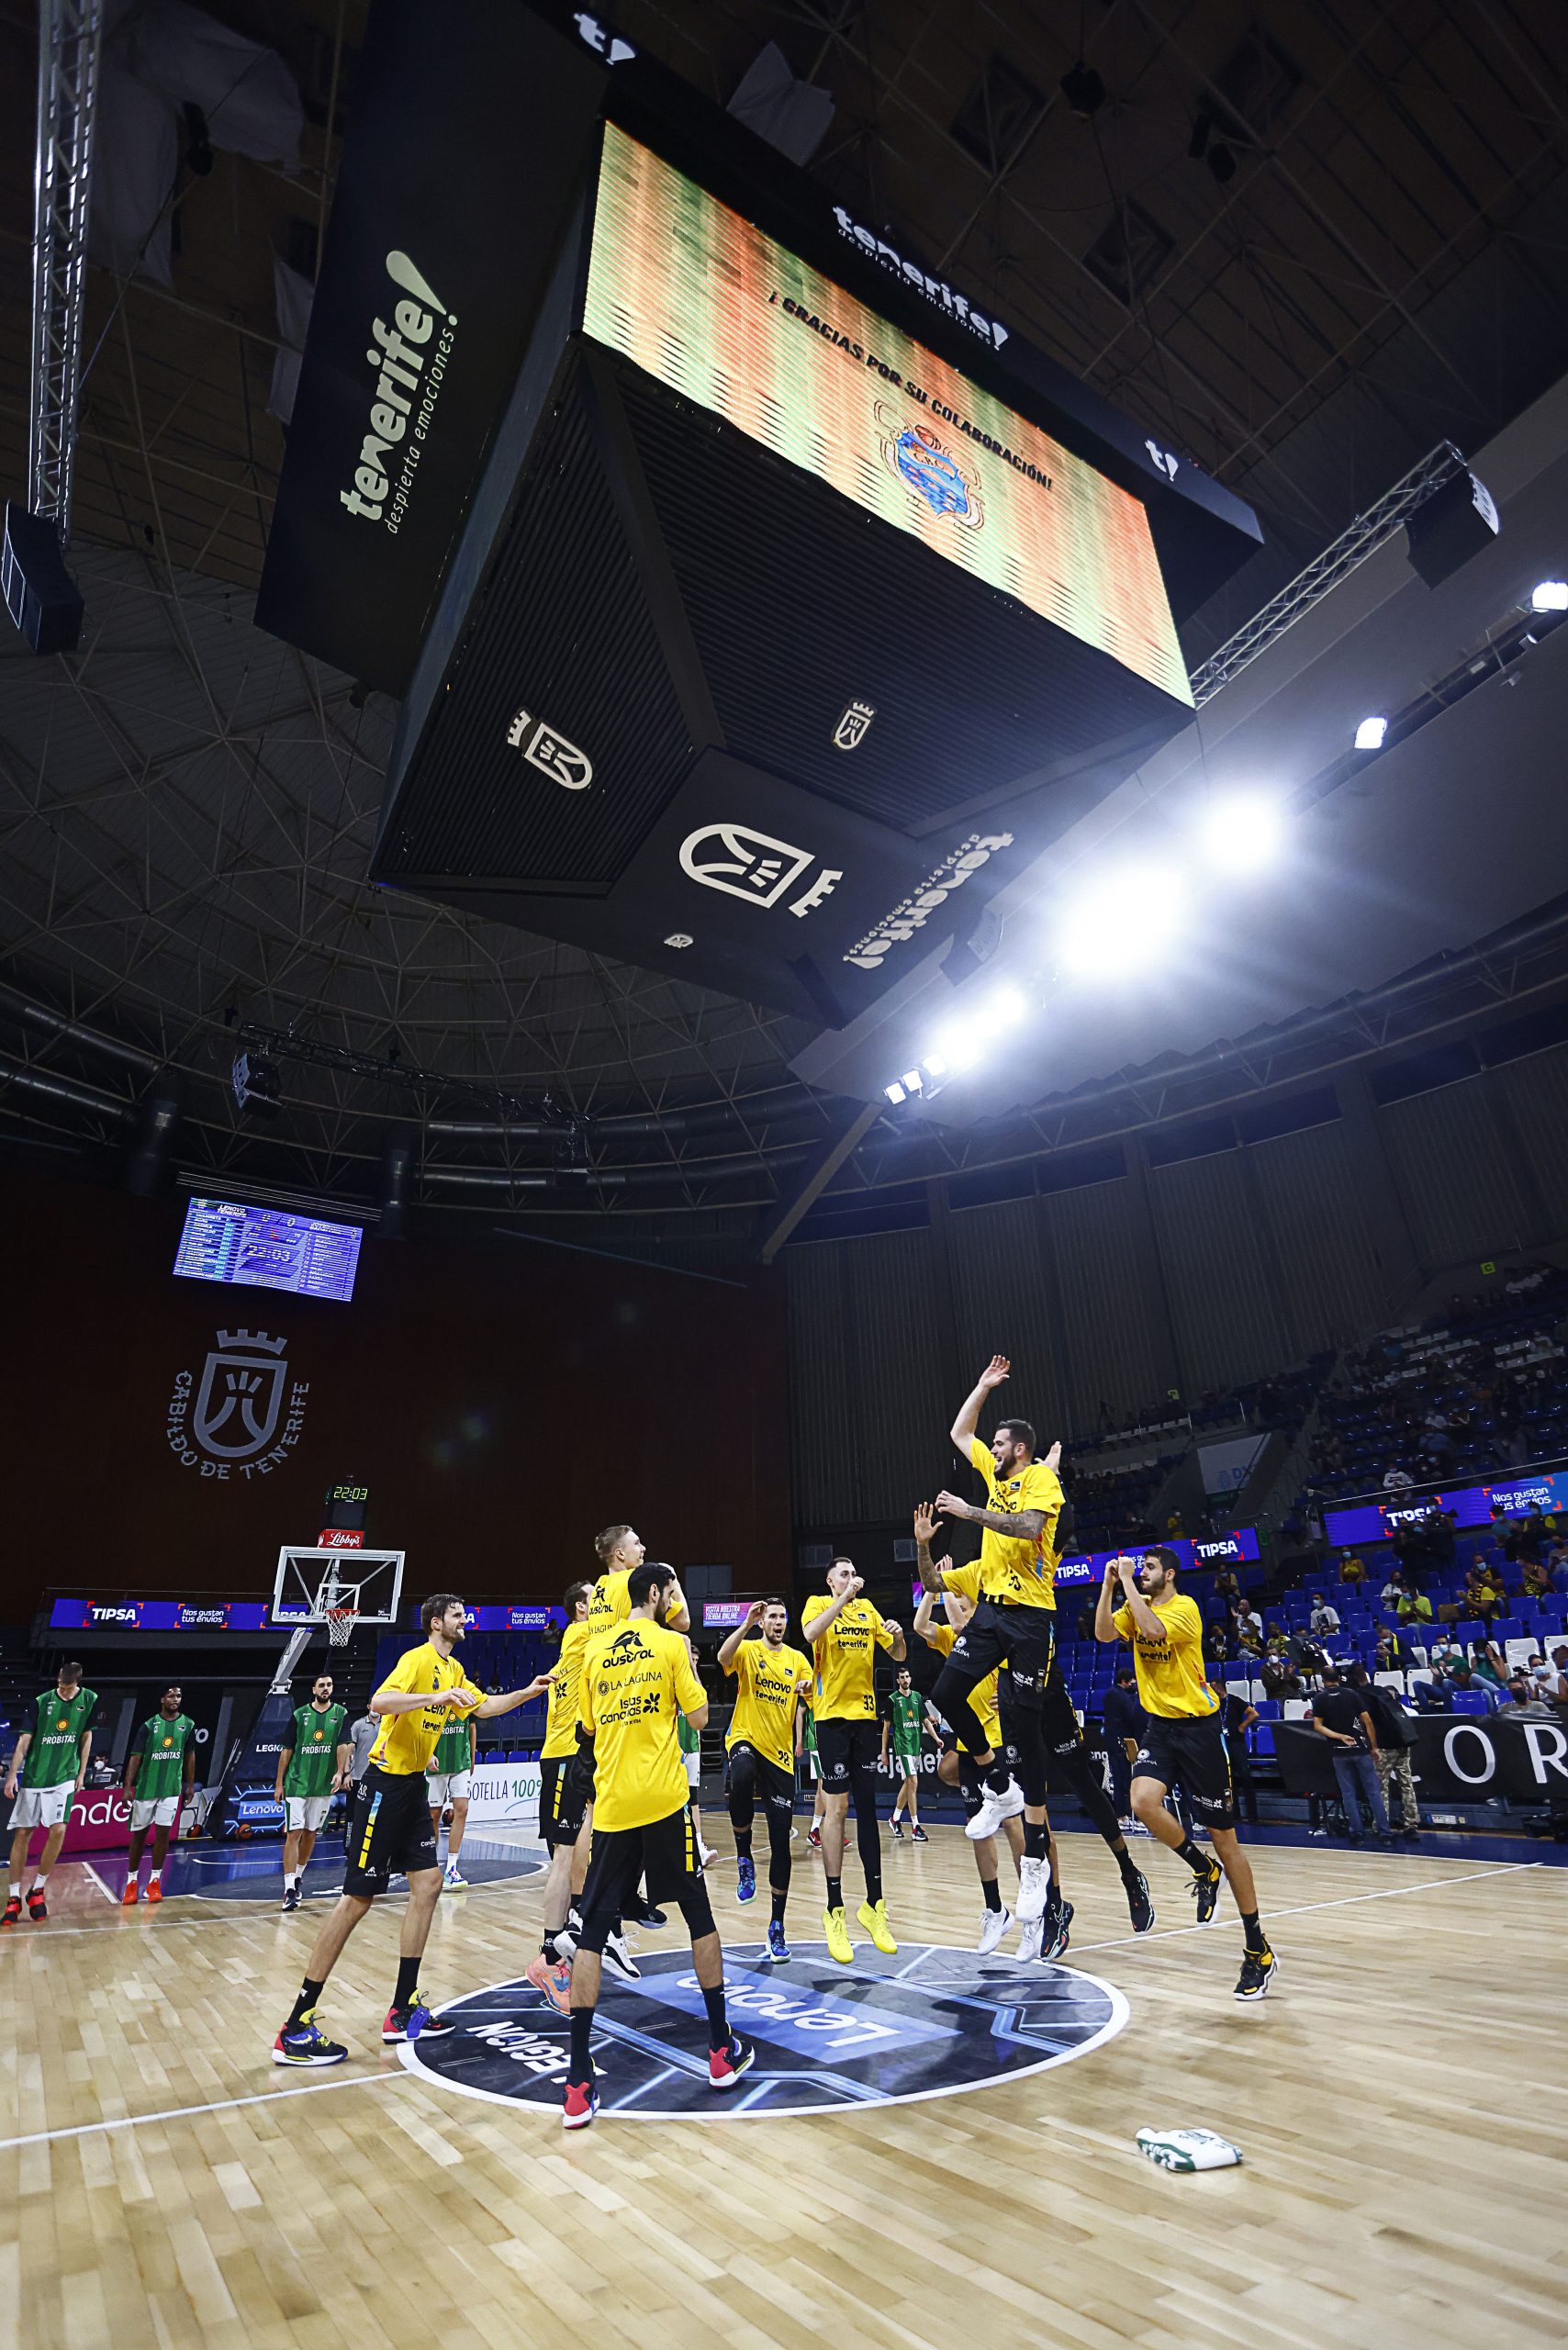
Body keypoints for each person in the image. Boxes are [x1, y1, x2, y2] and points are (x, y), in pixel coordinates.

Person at [272, 1595, 551, 2065]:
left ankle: (402, 2009)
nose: (465, 1619)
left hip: (412, 1788)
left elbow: (483, 1708)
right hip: (383, 1787)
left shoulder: (454, 1669)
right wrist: (433, 1699)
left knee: (429, 1883)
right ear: (437, 1622)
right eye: (458, 1614)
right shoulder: (417, 1660)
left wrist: (528, 1691)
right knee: (357, 1899)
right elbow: (380, 1702)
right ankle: (296, 2024)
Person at [564, 1563, 752, 2128]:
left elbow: (589, 1727)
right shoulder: (671, 1645)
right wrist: (681, 1677)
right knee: (699, 1918)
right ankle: (719, 2050)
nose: (676, 1600)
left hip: (614, 1806)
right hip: (666, 1804)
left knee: (592, 1932)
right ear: (654, 1593)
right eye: (672, 1592)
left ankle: (577, 2082)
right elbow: (699, 1716)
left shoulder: (596, 1651)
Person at [1094, 1550, 1277, 2001]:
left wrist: (1129, 1584)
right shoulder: (1134, 1604)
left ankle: (1258, 1948)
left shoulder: (1185, 1608)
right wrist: (1109, 1585)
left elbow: (1154, 1630)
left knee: (1225, 1839)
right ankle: (1202, 1869)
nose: (1143, 1572)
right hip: (1160, 1728)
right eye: (1141, 1568)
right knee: (1141, 1802)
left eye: (1150, 1568)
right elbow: (1103, 1634)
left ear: (1169, 1574)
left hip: (1199, 1730)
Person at [927, 1357, 1064, 1937]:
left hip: (1031, 1617)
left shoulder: (1039, 1481)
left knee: (1028, 1735)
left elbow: (1030, 1528)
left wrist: (969, 1512)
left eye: (1002, 1443)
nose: (994, 1447)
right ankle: (999, 1787)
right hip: (991, 1610)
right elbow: (961, 1432)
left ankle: (1034, 1867)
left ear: (1020, 1450)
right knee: (945, 1694)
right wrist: (982, 1387)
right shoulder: (994, 1472)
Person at [529, 1581, 624, 2017]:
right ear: (583, 1608)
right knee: (566, 1857)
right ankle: (549, 1958)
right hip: (564, 1756)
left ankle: (585, 1931)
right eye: (595, 1598)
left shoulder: (583, 1646)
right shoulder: (582, 1634)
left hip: (579, 1755)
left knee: (586, 1849)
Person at [915, 1579, 1025, 1953]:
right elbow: (920, 1626)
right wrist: (932, 1589)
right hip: (966, 1745)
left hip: (996, 1740)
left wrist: (946, 1587)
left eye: (964, 1604)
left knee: (1011, 1822)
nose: (957, 1613)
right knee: (978, 1829)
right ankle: (996, 1910)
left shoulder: (991, 1635)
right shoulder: (954, 1639)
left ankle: (1033, 1905)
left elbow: (964, 1625)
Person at [802, 1557, 904, 1962]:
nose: (850, 1577)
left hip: (864, 1717)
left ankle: (874, 1906)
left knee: (868, 1808)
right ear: (830, 1580)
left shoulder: (868, 1610)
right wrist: (842, 1599)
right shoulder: (817, 1604)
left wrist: (898, 1636)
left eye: (852, 1572)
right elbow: (810, 1633)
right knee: (837, 1809)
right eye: (843, 1574)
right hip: (831, 1719)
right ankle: (834, 1909)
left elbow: (897, 1654)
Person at [718, 1599, 812, 1961]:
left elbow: (814, 1691)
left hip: (780, 1756)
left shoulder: (797, 1659)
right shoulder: (748, 1649)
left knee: (780, 1844)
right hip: (746, 1738)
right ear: (762, 1622)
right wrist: (745, 1624)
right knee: (741, 1773)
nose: (778, 1621)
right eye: (772, 1616)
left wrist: (808, 1686)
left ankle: (777, 1925)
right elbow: (724, 1658)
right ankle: (744, 1859)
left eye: (782, 1617)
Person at [4, 1662, 95, 1924]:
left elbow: (86, 1737)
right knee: (23, 1833)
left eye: (67, 1688)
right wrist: (12, 1774)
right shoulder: (41, 1702)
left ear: (77, 1682)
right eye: (60, 1686)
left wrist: (81, 1773)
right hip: (35, 1775)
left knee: (58, 1830)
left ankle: (37, 1890)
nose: (63, 1690)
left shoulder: (89, 1700)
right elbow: (24, 1740)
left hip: (65, 1776)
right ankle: (13, 1897)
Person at [276, 1673, 349, 1913]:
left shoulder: (340, 1714)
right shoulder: (300, 1715)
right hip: (297, 1784)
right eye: (322, 1685)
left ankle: (298, 1877)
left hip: (323, 1786)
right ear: (314, 1690)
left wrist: (340, 1772)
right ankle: (288, 1889)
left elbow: (343, 1745)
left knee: (310, 1833)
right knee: (294, 1833)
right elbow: (287, 1750)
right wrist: (279, 1783)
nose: (326, 1688)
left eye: (329, 1685)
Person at [121, 1684, 197, 1905]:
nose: (176, 1699)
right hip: (146, 1789)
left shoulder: (188, 1725)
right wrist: (127, 1786)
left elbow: (190, 1756)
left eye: (179, 1696)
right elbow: (136, 1757)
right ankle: (131, 1882)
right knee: (139, 1835)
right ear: (162, 1699)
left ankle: (154, 1882)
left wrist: (190, 1784)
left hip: (171, 1790)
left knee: (163, 1835)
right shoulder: (149, 1726)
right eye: (171, 1696)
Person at [1309, 1668, 1392, 1844]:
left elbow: (1317, 1726)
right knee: (1374, 1793)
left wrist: (1339, 1736)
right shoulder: (1352, 1694)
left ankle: (1358, 1834)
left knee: (1348, 1794)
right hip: (1360, 1749)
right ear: (1339, 1678)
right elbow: (1368, 1722)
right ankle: (1385, 1833)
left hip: (1339, 1752)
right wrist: (1374, 1747)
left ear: (1323, 1681)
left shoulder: (1320, 1698)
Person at [1359, 1666, 1419, 1839]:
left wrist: (1373, 1746)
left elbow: (1367, 1723)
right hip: (1403, 1741)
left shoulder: (1362, 1696)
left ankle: (1381, 1825)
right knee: (1406, 1784)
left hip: (1385, 1746)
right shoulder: (1380, 1691)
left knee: (1381, 1787)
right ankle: (1411, 1825)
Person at [426, 1699, 477, 1892]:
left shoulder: (467, 1697)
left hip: (461, 1762)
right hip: (435, 1763)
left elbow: (472, 1727)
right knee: (433, 1814)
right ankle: (430, 1866)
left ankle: (452, 1869)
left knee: (462, 1810)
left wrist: (472, 1759)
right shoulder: (434, 1696)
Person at [677, 1639, 715, 1871]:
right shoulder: (673, 1678)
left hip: (692, 1746)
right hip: (673, 1748)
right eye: (691, 1659)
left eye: (697, 1661)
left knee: (693, 1798)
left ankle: (698, 1846)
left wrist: (693, 1669)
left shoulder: (694, 1684)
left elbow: (702, 1703)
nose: (694, 1663)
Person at [883, 1667, 931, 1841]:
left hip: (915, 1746)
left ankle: (895, 1818)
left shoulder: (917, 1697)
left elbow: (926, 1720)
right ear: (898, 1680)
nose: (905, 1679)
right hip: (902, 1747)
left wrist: (936, 1738)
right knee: (913, 1782)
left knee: (908, 1784)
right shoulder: (892, 1700)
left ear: (910, 1678)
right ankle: (915, 1826)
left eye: (907, 1676)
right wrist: (883, 1752)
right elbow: (886, 1728)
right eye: (902, 1677)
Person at [1102, 1662, 1145, 1828]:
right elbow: (1131, 1718)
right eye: (1132, 1681)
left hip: (1112, 1741)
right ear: (1124, 1681)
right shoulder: (1122, 1697)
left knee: (1119, 1778)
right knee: (1125, 1779)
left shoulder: (1109, 1693)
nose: (1133, 1684)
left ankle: (1122, 1816)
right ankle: (1131, 1817)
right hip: (1122, 1743)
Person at [1217, 1683, 1260, 1826]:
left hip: (1236, 1743)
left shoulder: (1234, 1700)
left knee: (1244, 1776)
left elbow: (1254, 1713)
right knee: (1228, 1780)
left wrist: (1243, 1725)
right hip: (1223, 1744)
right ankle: (1234, 1814)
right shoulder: (1214, 1703)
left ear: (1219, 1688)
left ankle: (1252, 1815)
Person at [344, 1709, 377, 1785]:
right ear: (368, 1706)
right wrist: (347, 1772)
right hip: (358, 1775)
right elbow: (350, 1749)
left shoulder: (385, 1724)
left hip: (378, 1775)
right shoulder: (358, 1724)